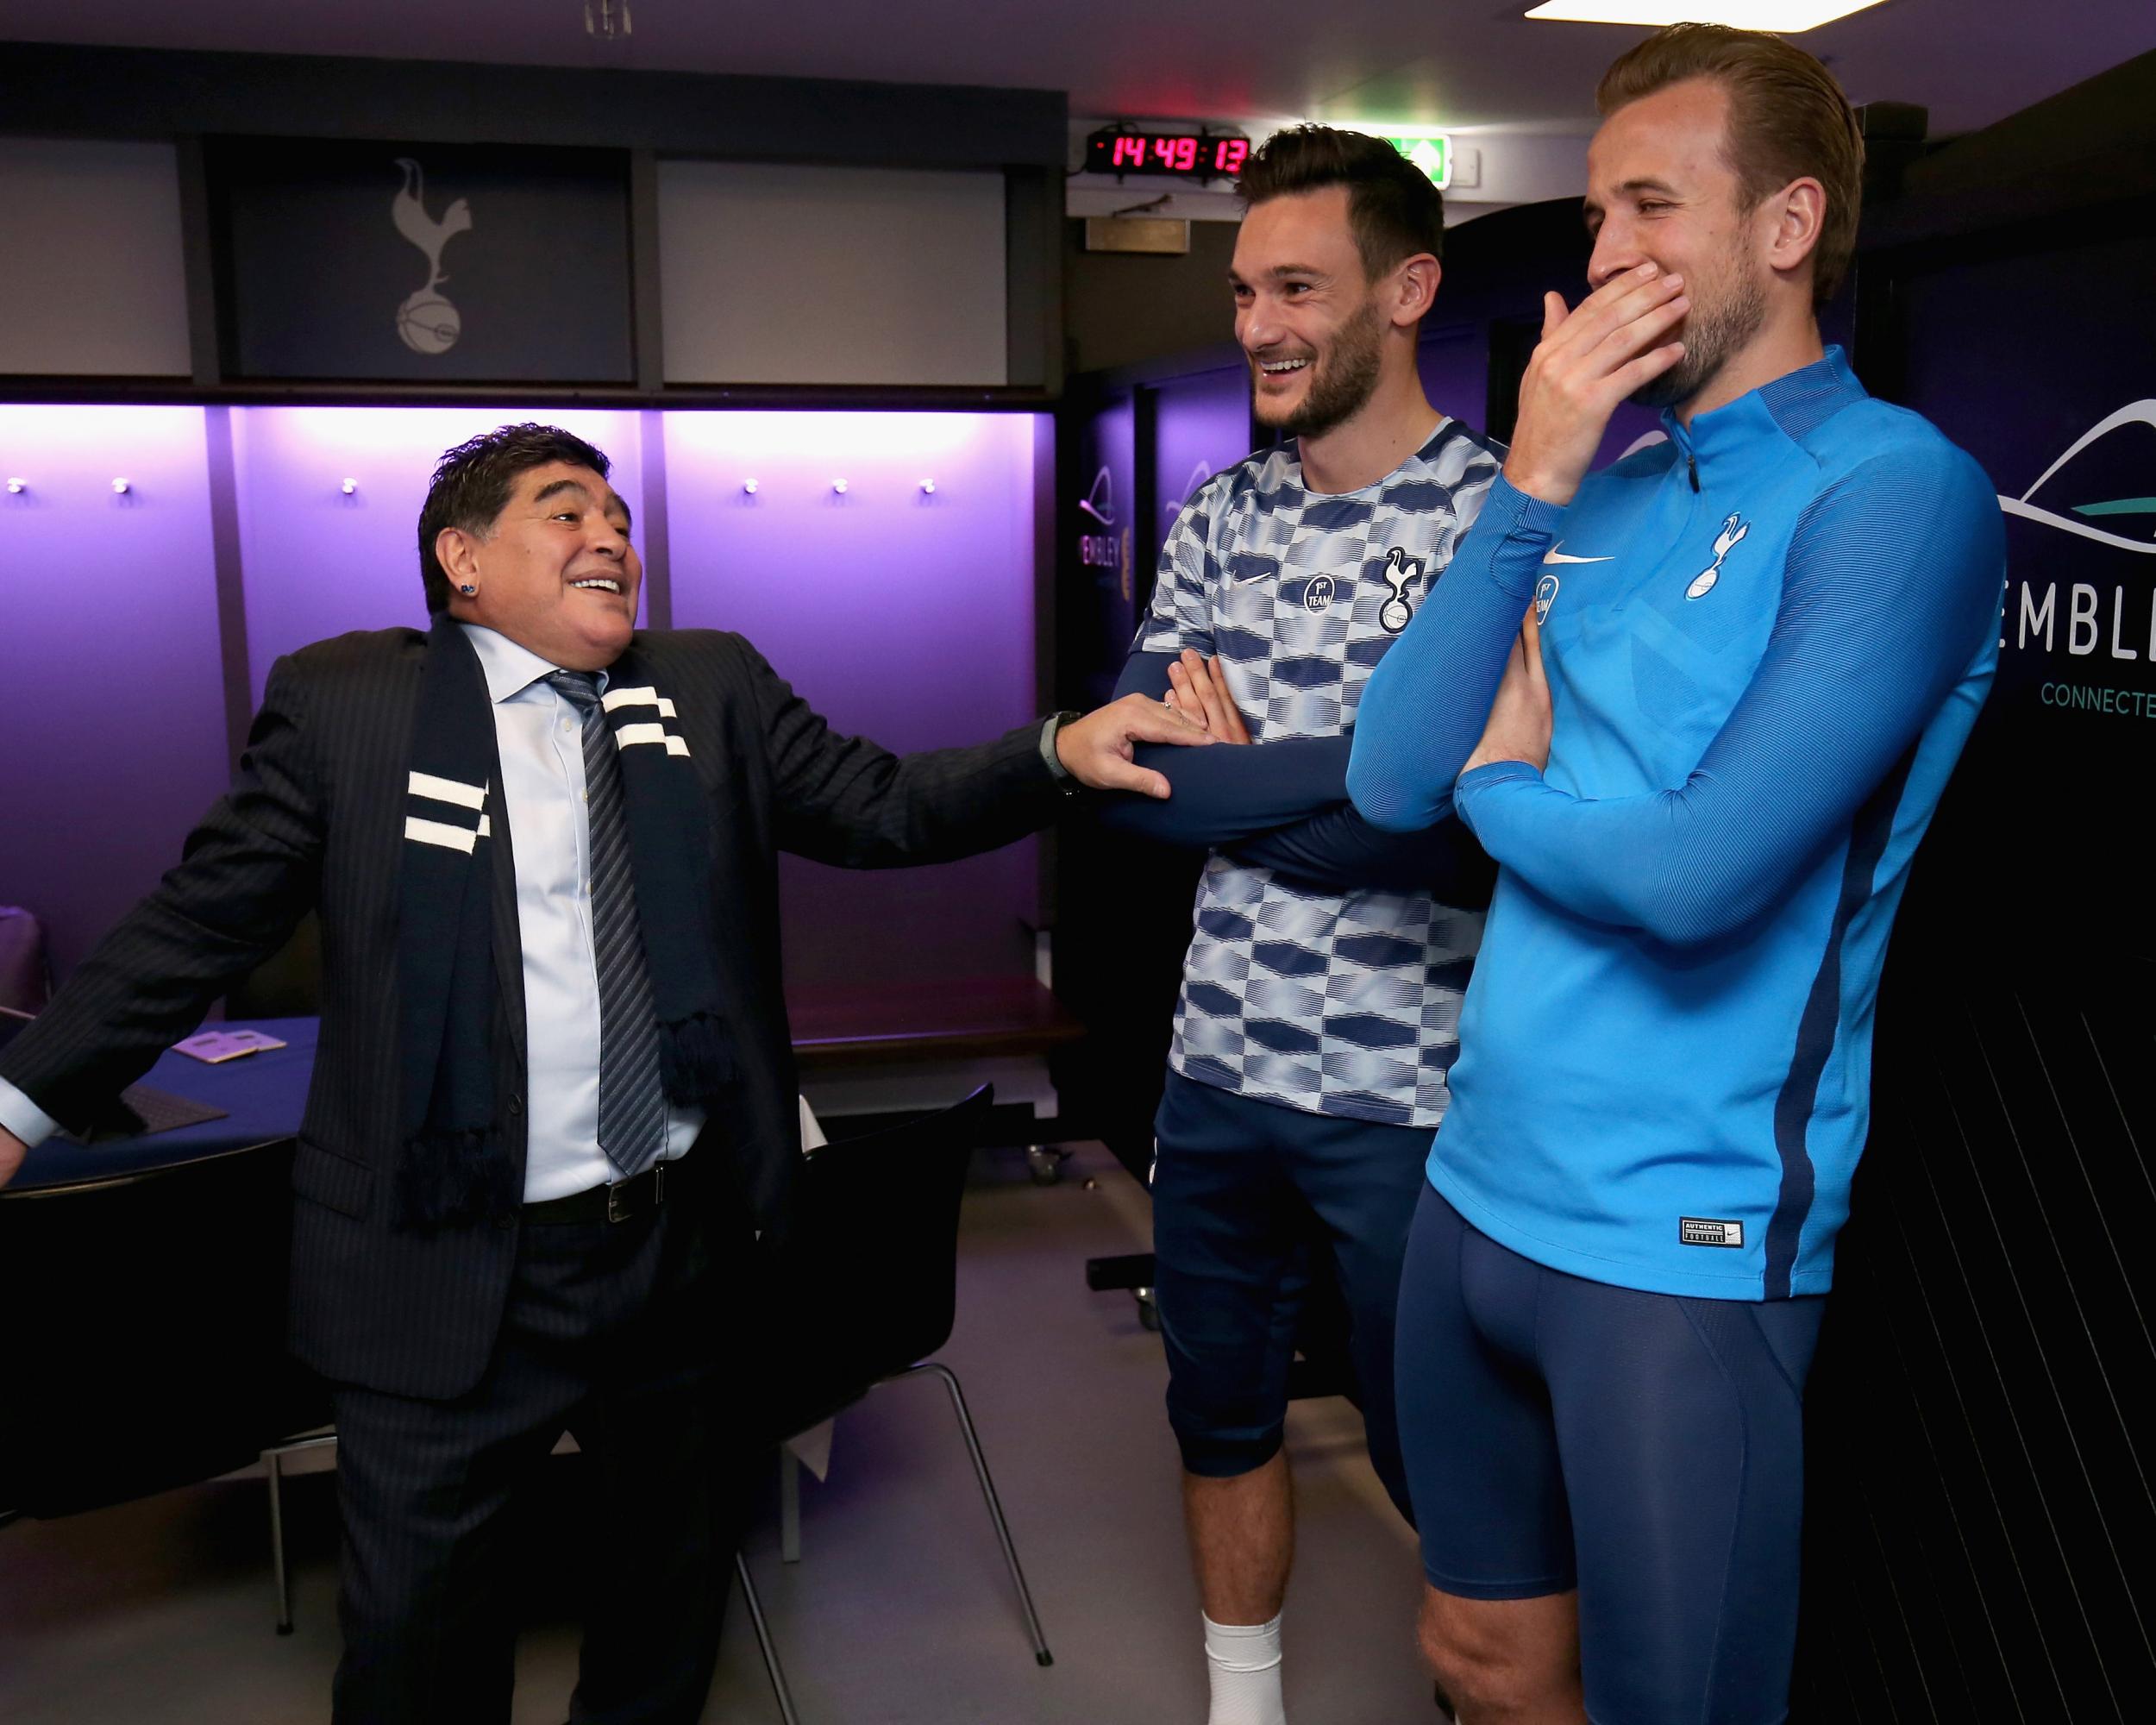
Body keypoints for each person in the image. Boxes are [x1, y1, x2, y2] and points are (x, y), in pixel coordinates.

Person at [0, 422, 1206, 1724]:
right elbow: (199, 922)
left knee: (665, 1605)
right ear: (463, 561)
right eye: (565, 510)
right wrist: (19, 1106)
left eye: (620, 518)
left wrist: (1055, 752)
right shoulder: (351, 706)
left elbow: (882, 802)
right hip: (438, 1258)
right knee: (417, 1642)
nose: (612, 536)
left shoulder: (711, 687)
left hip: (670, 1253)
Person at [1345, 24, 2005, 1724]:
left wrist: (1505, 781)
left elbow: (1695, 874)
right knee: (1478, 1664)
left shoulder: (1894, 492)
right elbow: (1384, 770)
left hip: (1678, 1239)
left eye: (1650, 203)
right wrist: (1532, 473)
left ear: (1784, 229)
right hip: (1473, 1189)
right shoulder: (1603, 485)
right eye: (1591, 215)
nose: (1602, 256)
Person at [1100, 125, 1501, 1725]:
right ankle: (1243, 1710)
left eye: (1297, 288)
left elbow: (1455, 825)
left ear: (1408, 290)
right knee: (1219, 1414)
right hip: (1216, 1077)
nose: (1257, 323)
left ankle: (1497, 1693)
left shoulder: (1499, 522)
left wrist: (1257, 768)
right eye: (1246, 288)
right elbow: (1140, 785)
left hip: (1417, 1094)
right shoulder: (1217, 515)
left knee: (1438, 1447)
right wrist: (1355, 779)